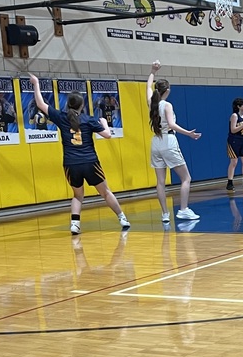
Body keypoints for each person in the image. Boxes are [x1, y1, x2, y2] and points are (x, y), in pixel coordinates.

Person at [28, 73, 130, 235]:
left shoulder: (61, 117)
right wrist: (104, 123)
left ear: (68, 105)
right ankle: (122, 218)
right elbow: (108, 135)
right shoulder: (89, 120)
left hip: (71, 163)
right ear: (81, 106)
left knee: (77, 195)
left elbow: (40, 104)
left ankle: (75, 224)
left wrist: (36, 83)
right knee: (105, 192)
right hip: (90, 162)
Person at [146, 61, 202, 222]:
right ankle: (183, 210)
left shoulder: (152, 103)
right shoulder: (167, 105)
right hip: (168, 141)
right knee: (186, 178)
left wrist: (152, 71)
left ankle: (165, 214)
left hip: (155, 142)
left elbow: (148, 87)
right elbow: (171, 124)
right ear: (168, 91)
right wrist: (188, 134)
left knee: (160, 182)